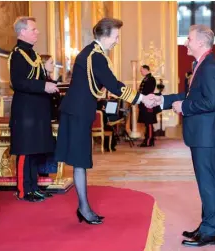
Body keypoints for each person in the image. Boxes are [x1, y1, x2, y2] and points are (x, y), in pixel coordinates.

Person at [55, 17, 153, 224]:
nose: (117, 41)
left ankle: (84, 207)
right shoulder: (95, 56)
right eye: (116, 37)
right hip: (77, 113)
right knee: (80, 161)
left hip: (78, 111)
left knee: (80, 162)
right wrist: (141, 98)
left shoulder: (92, 52)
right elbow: (114, 85)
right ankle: (84, 208)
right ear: (105, 35)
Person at [146, 24, 215, 247]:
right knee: (205, 183)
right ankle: (206, 226)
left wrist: (185, 107)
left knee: (208, 184)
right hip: (202, 136)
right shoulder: (202, 64)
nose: (185, 43)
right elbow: (189, 95)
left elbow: (211, 101)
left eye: (189, 39)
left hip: (207, 137)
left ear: (200, 42)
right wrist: (162, 100)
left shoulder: (210, 67)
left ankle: (210, 231)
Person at [8, 16, 59, 202]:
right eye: (33, 29)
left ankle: (34, 187)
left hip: (37, 111)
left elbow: (36, 78)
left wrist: (48, 78)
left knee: (35, 150)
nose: (37, 32)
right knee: (25, 150)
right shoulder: (17, 54)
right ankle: (23, 190)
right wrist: (43, 86)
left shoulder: (33, 55)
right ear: (22, 32)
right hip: (26, 112)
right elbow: (18, 82)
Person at [138, 65, 157, 147]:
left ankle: (149, 140)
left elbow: (147, 91)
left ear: (146, 70)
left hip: (148, 103)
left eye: (141, 70)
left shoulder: (151, 79)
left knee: (149, 122)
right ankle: (147, 139)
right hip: (144, 102)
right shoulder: (146, 78)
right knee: (147, 122)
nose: (140, 72)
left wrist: (141, 96)